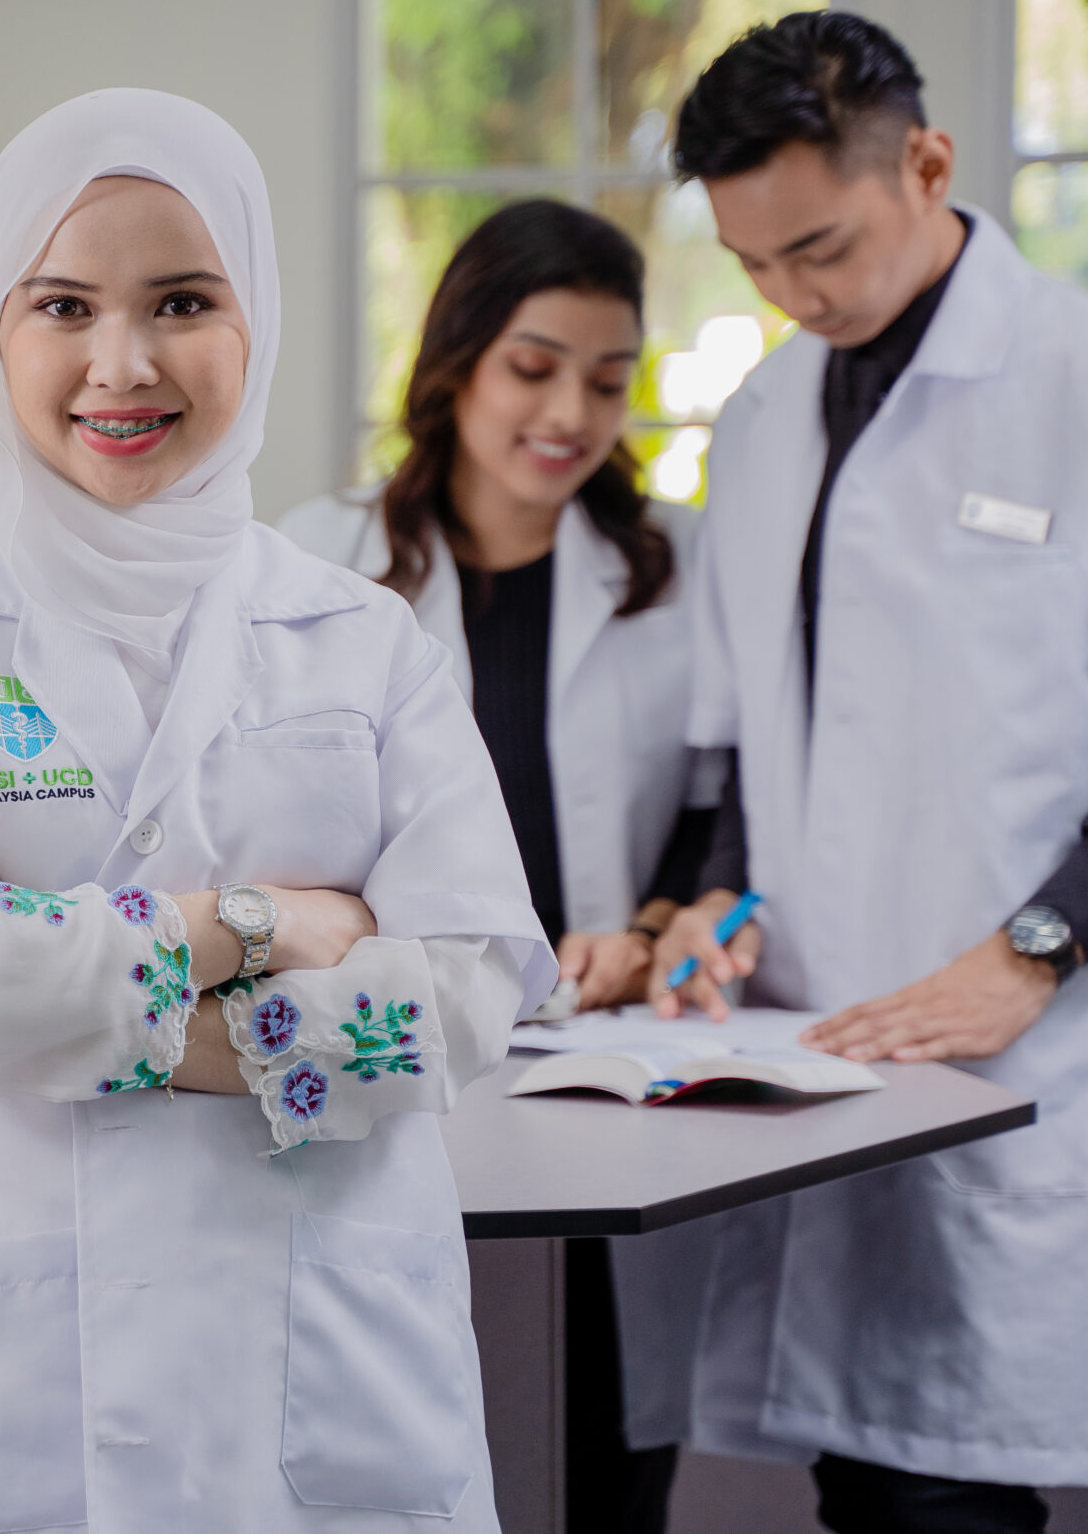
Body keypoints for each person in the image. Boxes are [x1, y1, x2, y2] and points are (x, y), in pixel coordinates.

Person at [0, 89, 553, 1532]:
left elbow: (473, 993)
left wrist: (48, 982)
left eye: (183, 299)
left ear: (258, 320)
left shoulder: (362, 640)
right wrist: (263, 923)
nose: (122, 362)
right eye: (62, 304)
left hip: (319, 1368)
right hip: (5, 1388)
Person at [643, 11, 1088, 1532]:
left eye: (823, 250)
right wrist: (710, 899)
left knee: (953, 1492)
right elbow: (756, 731)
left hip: (1035, 1036)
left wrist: (1029, 950)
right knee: (873, 1479)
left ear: (926, 163)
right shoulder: (770, 411)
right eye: (752, 265)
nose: (794, 297)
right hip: (830, 1036)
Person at [281, 199, 718, 1534]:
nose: (570, 411)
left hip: (594, 1059)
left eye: (606, 376)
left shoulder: (668, 567)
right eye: (535, 365)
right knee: (384, 1419)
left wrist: (646, 924)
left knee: (600, 1441)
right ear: (458, 359)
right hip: (390, 1042)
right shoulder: (321, 555)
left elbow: (715, 798)